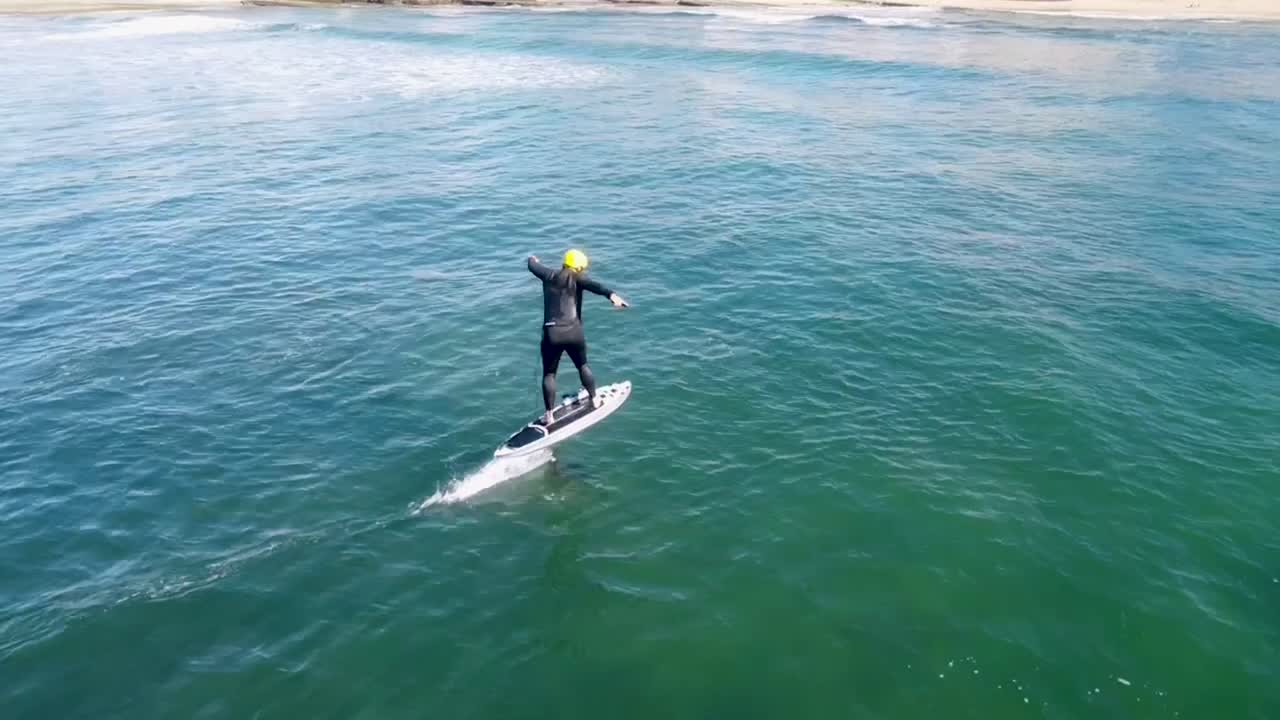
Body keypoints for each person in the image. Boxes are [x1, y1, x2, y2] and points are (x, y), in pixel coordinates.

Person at [528, 249, 628, 426]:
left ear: (564, 263)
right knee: (582, 365)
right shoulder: (578, 278)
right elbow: (596, 286)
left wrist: (532, 259)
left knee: (549, 374)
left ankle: (549, 416)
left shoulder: (548, 274)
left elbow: (532, 265)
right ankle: (595, 399)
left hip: (552, 333)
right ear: (579, 267)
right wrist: (612, 296)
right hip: (574, 332)